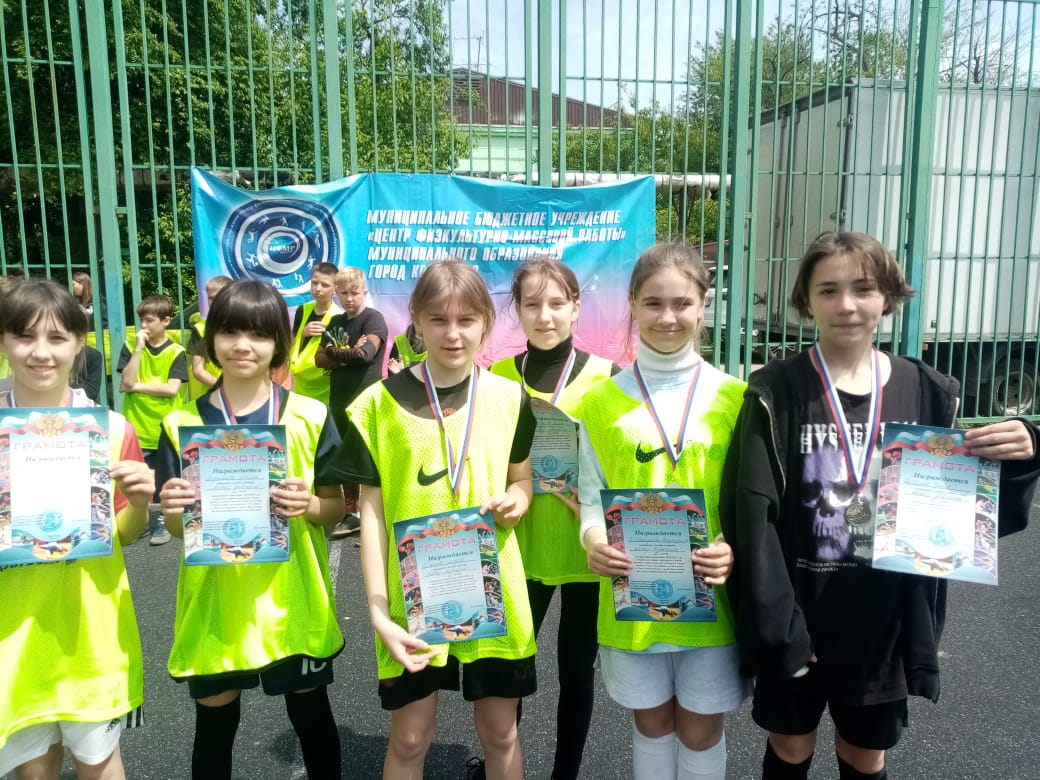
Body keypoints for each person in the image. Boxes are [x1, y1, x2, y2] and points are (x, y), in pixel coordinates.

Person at [719, 231, 1040, 780]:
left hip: (883, 619)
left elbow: (969, 510)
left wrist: (1023, 452)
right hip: (798, 611)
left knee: (864, 754)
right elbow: (753, 518)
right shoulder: (776, 391)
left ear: (888, 296)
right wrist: (778, 626)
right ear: (806, 301)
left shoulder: (927, 390)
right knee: (790, 746)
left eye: (863, 288)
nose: (847, 305)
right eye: (829, 290)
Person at [331, 260, 537, 780]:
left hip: (494, 590)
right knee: (409, 738)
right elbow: (371, 515)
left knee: (501, 732)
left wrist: (518, 499)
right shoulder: (378, 405)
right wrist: (378, 612)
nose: (453, 333)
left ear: (486, 322)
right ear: (417, 321)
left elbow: (522, 480)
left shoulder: (510, 398)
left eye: (467, 320)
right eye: (439, 319)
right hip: (412, 597)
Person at [155, 279, 345, 780]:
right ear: (211, 337)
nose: (243, 345)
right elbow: (178, 528)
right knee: (215, 730)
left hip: (292, 602)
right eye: (231, 331)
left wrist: (309, 504)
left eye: (259, 334)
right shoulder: (181, 423)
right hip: (218, 604)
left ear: (279, 342)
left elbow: (334, 508)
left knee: (312, 719)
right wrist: (172, 509)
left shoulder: (310, 416)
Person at [576, 243, 747, 780]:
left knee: (701, 732)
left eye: (682, 303)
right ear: (632, 304)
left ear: (703, 305)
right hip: (632, 597)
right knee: (651, 726)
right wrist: (592, 541)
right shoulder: (599, 404)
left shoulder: (737, 398)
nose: (667, 317)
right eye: (653, 303)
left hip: (713, 598)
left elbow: (751, 506)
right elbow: (590, 498)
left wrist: (733, 549)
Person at [0, 279, 154, 780]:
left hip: (91, 632)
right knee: (34, 770)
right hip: (14, 635)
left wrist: (140, 501)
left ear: (78, 343)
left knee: (100, 765)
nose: (41, 352)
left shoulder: (110, 428)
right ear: (3, 342)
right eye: (25, 336)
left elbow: (125, 533)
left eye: (57, 337)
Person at [487, 257, 616, 780]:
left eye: (557, 303)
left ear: (576, 307)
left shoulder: (608, 378)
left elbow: (619, 467)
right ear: (517, 310)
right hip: (518, 544)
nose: (545, 316)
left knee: (576, 672)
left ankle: (566, 773)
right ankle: (504, 766)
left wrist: (592, 496)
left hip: (585, 549)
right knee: (510, 670)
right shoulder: (496, 377)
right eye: (532, 304)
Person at [316, 267, 388, 540]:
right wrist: (346, 353)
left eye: (354, 292)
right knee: (345, 458)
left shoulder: (373, 319)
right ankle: (353, 513)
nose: (349, 298)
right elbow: (319, 360)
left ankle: (378, 512)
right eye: (343, 293)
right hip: (339, 400)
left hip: (366, 401)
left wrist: (335, 353)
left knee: (369, 458)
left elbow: (365, 355)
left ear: (364, 292)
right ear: (337, 293)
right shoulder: (335, 322)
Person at [117, 294, 188, 545]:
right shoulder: (130, 347)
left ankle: (162, 521)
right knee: (138, 480)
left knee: (165, 481)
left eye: (149, 320)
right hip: (137, 425)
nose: (143, 325)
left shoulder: (177, 352)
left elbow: (171, 389)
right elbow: (126, 381)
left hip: (165, 427)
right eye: (141, 320)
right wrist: (138, 349)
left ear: (166, 321)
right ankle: (139, 520)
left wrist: (136, 386)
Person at [288, 262, 342, 405]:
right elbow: (292, 342)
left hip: (324, 385)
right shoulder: (302, 310)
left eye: (325, 285)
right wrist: (303, 334)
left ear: (335, 289)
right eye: (314, 283)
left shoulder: (339, 317)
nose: (318, 289)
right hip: (300, 382)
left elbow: (339, 355)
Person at [186, 275, 232, 400]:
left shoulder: (247, 325)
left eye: (219, 297)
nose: (214, 302)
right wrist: (225, 389)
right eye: (211, 298)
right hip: (213, 396)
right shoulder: (201, 329)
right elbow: (198, 371)